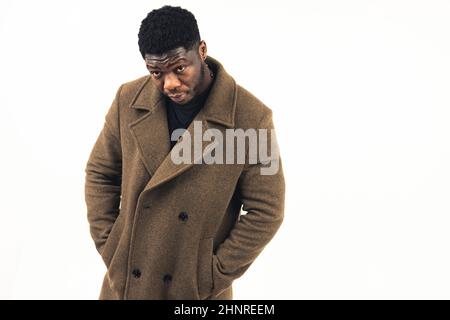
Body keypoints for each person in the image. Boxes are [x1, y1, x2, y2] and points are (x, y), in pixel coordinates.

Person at [85, 5, 285, 300]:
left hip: (195, 294)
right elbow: (100, 173)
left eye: (180, 68)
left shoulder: (252, 118)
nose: (170, 84)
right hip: (126, 285)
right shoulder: (127, 100)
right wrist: (113, 246)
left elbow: (267, 211)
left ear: (201, 50)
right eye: (156, 72)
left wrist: (210, 275)